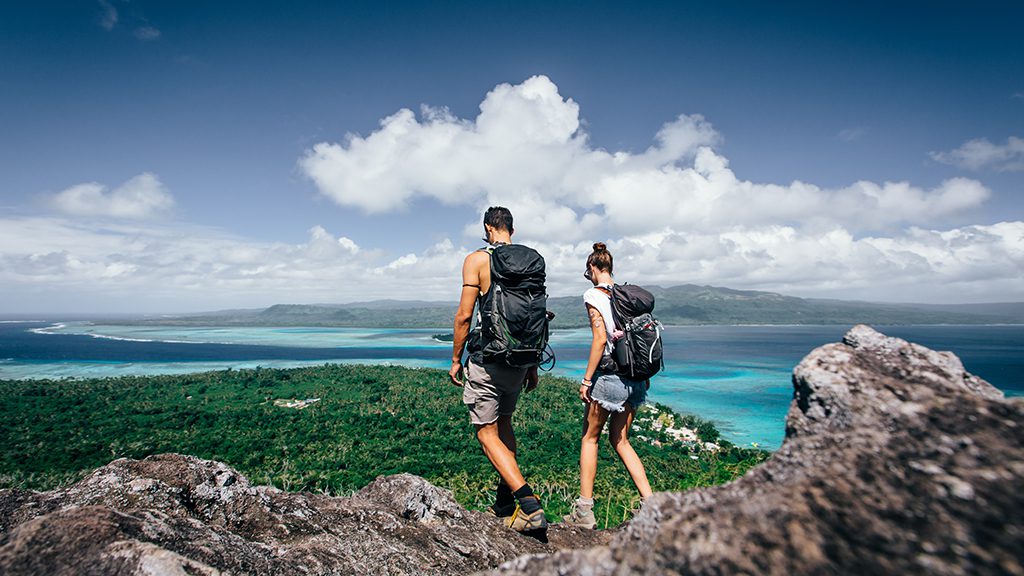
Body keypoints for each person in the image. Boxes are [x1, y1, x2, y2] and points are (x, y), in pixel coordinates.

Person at [449, 206, 547, 533]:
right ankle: (505, 504)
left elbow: (464, 316)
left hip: (488, 361)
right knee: (505, 426)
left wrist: (455, 359)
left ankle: (529, 505)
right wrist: (532, 365)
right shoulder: (531, 261)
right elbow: (533, 316)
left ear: (489, 228)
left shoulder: (477, 260)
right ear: (511, 231)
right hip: (520, 361)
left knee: (486, 433)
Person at [563, 242, 653, 529]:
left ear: (592, 268)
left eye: (587, 271)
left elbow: (600, 339)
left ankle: (584, 512)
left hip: (610, 378)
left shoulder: (593, 294)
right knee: (621, 440)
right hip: (637, 379)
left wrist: (587, 380)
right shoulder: (628, 296)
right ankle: (651, 504)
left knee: (590, 438)